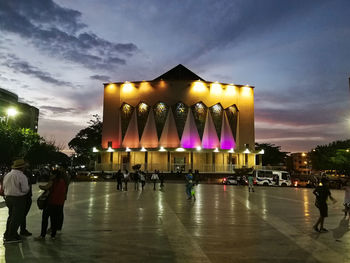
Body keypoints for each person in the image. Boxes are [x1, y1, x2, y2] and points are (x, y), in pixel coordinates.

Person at [35, 169, 67, 240]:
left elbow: (46, 187)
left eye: (52, 174)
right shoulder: (62, 181)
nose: (50, 175)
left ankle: (42, 235)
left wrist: (40, 186)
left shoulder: (53, 181)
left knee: (45, 219)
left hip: (51, 203)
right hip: (59, 204)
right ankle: (53, 235)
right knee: (54, 220)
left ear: (55, 175)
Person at [3, 159, 30, 244]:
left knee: (11, 217)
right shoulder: (21, 176)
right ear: (22, 167)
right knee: (16, 218)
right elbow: (25, 189)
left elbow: (3, 186)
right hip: (18, 199)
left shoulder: (7, 175)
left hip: (8, 198)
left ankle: (7, 234)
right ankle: (11, 236)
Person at [19, 168, 33, 236]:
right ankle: (22, 230)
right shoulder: (23, 174)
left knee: (22, 215)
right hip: (24, 197)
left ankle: (22, 229)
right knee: (22, 215)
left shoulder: (14, 174)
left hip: (24, 197)